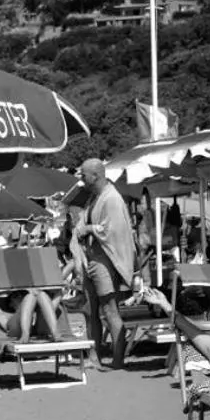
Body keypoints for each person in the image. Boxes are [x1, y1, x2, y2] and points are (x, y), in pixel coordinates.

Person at [73, 159, 135, 371]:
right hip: (92, 258)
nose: (81, 179)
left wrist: (89, 229)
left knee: (109, 310)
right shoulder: (96, 198)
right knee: (90, 310)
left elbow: (114, 231)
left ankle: (118, 360)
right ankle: (94, 356)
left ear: (95, 176)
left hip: (105, 259)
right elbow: (86, 222)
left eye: (83, 175)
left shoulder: (112, 198)